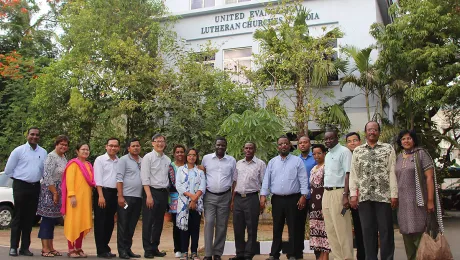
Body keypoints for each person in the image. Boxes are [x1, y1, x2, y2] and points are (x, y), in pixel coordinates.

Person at [350, 121, 398, 260]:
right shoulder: (358, 150)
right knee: (368, 232)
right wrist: (353, 194)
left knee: (386, 231)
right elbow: (354, 173)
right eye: (369, 130)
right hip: (365, 197)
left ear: (379, 132)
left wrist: (394, 194)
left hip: (383, 197)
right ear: (365, 132)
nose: (372, 132)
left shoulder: (388, 148)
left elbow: (392, 172)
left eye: (375, 130)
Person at [395, 130, 442, 260]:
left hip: (419, 202)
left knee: (420, 232)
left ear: (414, 140)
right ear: (400, 141)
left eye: (409, 138)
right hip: (403, 203)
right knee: (406, 232)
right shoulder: (399, 157)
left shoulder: (421, 154)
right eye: (403, 139)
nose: (406, 141)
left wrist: (430, 200)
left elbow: (429, 178)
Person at [260, 136, 308, 260]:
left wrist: (304, 196)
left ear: (289, 145)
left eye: (286, 143)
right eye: (281, 144)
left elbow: (303, 179)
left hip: (293, 199)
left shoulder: (297, 161)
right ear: (278, 147)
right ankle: (274, 254)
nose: (283, 146)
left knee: (293, 227)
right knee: (277, 227)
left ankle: (292, 254)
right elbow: (266, 180)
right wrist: (263, 195)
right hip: (277, 200)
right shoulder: (272, 162)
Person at [4, 127, 48, 257]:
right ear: (27, 135)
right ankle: (13, 247)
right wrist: (21, 180)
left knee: (30, 219)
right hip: (20, 186)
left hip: (35, 187)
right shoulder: (19, 151)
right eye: (32, 134)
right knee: (18, 216)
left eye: (37, 135)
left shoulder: (43, 152)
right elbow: (8, 170)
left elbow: (43, 171)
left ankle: (25, 247)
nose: (34, 137)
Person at [202, 137, 236, 260]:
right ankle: (207, 254)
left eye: (223, 145)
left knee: (222, 226)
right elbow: (202, 175)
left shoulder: (231, 160)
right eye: (218, 145)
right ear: (215, 146)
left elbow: (234, 181)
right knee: (209, 223)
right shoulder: (206, 159)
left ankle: (217, 253)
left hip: (225, 196)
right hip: (209, 196)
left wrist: (232, 199)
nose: (220, 147)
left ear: (226, 147)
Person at [230, 142, 266, 260]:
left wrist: (262, 199)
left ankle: (248, 254)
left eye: (251, 148)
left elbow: (264, 184)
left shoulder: (260, 164)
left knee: (251, 227)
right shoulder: (238, 163)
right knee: (238, 228)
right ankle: (239, 254)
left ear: (255, 150)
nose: (248, 150)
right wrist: (232, 200)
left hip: (252, 198)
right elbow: (234, 182)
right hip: (239, 198)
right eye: (246, 148)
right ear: (243, 149)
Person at [345, 132, 377, 260]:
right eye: (349, 141)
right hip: (353, 199)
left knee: (370, 229)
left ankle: (372, 255)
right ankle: (361, 256)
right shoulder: (347, 157)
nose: (352, 143)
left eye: (355, 140)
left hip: (368, 198)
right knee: (358, 228)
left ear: (360, 141)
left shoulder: (366, 154)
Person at [323, 129, 354, 260]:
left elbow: (348, 174)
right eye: (326, 139)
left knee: (342, 229)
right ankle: (337, 257)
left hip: (339, 192)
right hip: (327, 193)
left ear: (337, 138)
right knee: (331, 230)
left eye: (331, 138)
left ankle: (347, 257)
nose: (328, 141)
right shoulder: (328, 155)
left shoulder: (344, 152)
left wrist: (345, 195)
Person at [37, 135, 69, 257]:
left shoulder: (63, 157)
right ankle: (45, 248)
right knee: (46, 219)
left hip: (59, 190)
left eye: (65, 145)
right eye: (61, 144)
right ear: (56, 144)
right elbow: (47, 176)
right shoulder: (51, 157)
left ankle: (51, 247)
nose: (63, 146)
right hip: (49, 191)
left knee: (52, 220)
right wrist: (54, 192)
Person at [61, 143, 96, 258]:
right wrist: (72, 196)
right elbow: (69, 181)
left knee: (82, 222)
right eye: (83, 149)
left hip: (85, 200)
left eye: (87, 149)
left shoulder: (89, 165)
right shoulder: (73, 164)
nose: (85, 151)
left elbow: (91, 182)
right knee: (73, 222)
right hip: (74, 199)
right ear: (77, 151)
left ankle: (79, 247)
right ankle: (71, 248)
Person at [141, 134, 171, 258]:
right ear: (152, 143)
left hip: (163, 193)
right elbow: (145, 177)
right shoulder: (148, 158)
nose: (160, 144)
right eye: (157, 141)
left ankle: (155, 247)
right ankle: (147, 249)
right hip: (151, 192)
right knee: (148, 222)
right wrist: (148, 195)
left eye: (162, 141)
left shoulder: (167, 160)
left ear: (165, 143)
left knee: (159, 222)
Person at [176, 148, 206, 260]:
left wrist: (194, 200)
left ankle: (194, 252)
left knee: (195, 228)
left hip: (196, 204)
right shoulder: (180, 170)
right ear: (186, 157)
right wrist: (190, 197)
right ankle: (184, 252)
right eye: (189, 155)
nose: (191, 157)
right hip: (184, 204)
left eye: (194, 155)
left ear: (197, 157)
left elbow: (202, 187)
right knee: (184, 229)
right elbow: (179, 186)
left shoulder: (200, 172)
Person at [93, 137, 120, 258]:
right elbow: (97, 179)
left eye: (115, 146)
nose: (113, 148)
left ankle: (106, 247)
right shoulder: (100, 160)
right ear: (106, 146)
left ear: (118, 148)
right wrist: (100, 196)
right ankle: (101, 250)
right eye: (111, 145)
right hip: (102, 193)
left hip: (114, 194)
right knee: (100, 222)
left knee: (110, 222)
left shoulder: (119, 161)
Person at [116, 138, 143, 259]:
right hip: (126, 198)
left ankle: (128, 249)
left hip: (138, 198)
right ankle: (122, 251)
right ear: (128, 148)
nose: (136, 148)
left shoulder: (142, 161)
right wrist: (120, 196)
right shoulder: (123, 160)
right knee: (123, 224)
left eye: (137, 146)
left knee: (132, 224)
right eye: (133, 146)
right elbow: (119, 178)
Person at [309, 144, 331, 260]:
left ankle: (325, 256)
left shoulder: (327, 167)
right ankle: (320, 256)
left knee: (325, 232)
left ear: (324, 153)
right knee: (317, 233)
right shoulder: (313, 168)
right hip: (314, 206)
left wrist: (325, 205)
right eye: (314, 153)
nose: (316, 156)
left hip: (324, 203)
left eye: (319, 153)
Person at [297, 136, 317, 259]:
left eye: (305, 142)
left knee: (315, 226)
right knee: (298, 225)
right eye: (300, 143)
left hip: (315, 197)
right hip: (300, 198)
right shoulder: (295, 160)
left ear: (309, 144)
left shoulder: (315, 157)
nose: (303, 144)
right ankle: (298, 253)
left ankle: (318, 253)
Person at [169, 145, 186, 258]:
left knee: (186, 222)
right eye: (177, 152)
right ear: (174, 154)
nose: (179, 154)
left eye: (181, 152)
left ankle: (185, 248)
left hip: (187, 198)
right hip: (174, 198)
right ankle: (177, 248)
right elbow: (171, 182)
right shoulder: (171, 166)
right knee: (176, 224)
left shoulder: (188, 165)